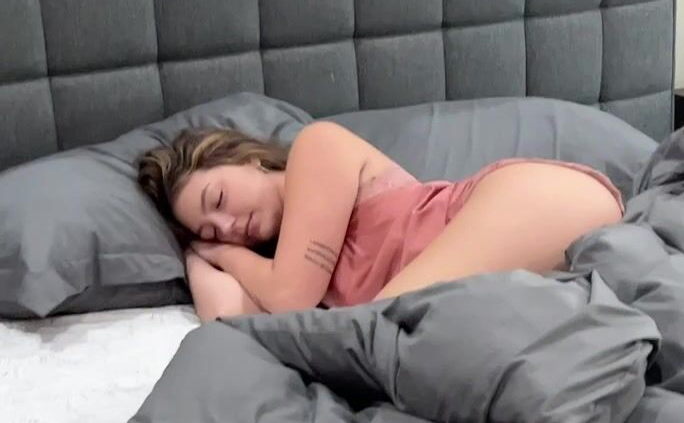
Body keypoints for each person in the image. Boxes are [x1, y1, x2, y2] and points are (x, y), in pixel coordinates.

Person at [136, 121, 623, 324]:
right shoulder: (284, 268)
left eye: (218, 199)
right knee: (389, 331)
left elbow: (289, 296)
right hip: (517, 283)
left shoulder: (316, 147)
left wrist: (222, 253)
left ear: (247, 159)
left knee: (385, 327)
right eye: (210, 229)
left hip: (537, 201)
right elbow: (228, 324)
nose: (226, 225)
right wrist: (194, 258)